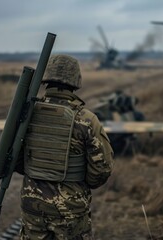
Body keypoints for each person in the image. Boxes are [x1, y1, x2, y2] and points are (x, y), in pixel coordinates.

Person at [17, 54, 114, 239]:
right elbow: (102, 169)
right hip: (70, 210)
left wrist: (38, 172)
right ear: (76, 81)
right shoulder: (86, 119)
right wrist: (78, 182)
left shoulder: (27, 113)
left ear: (46, 79)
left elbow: (14, 158)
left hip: (32, 206)